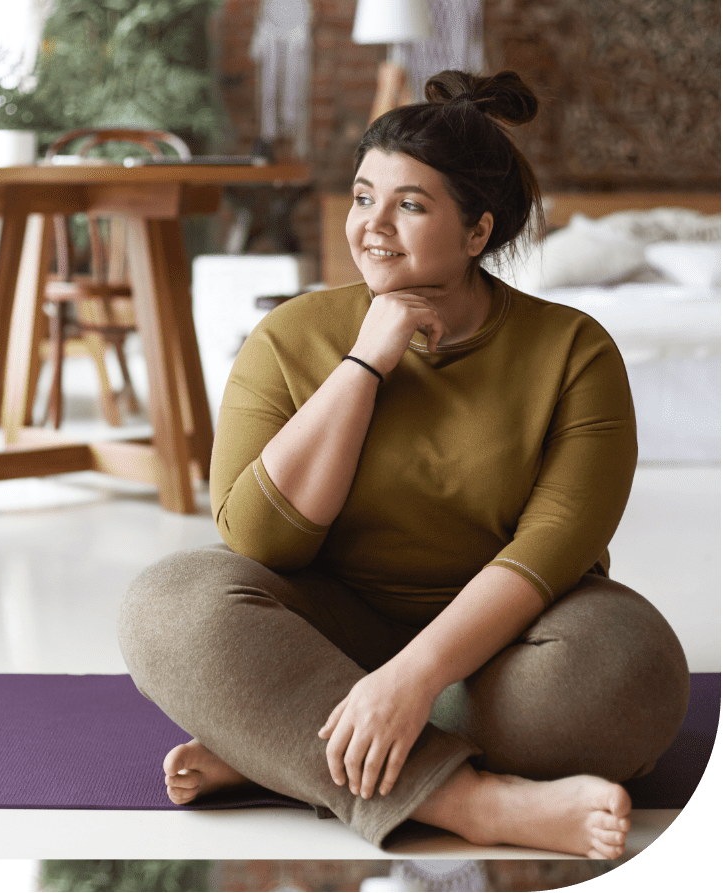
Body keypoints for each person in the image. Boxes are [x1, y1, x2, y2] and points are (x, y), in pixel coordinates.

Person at [118, 70, 689, 858]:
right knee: (166, 604)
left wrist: (412, 678)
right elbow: (259, 541)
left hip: (504, 645)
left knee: (630, 674)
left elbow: (547, 553)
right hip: (330, 626)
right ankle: (469, 800)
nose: (371, 226)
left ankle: (290, 749)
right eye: (361, 197)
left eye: (409, 205)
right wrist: (363, 364)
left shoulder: (573, 351)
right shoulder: (289, 337)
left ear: (476, 233)